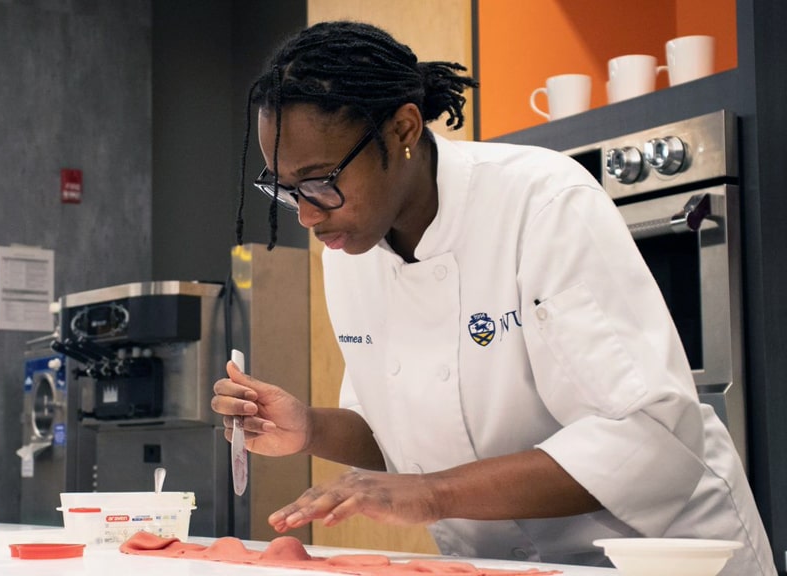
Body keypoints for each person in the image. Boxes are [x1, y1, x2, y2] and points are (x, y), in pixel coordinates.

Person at [210, 20, 777, 574]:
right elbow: (399, 439)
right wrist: (308, 427)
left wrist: (431, 494)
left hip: (657, 555)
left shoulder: (543, 202)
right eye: (286, 190)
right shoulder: (349, 251)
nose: (308, 213)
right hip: (501, 564)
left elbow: (648, 439)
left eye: (321, 180)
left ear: (404, 129)